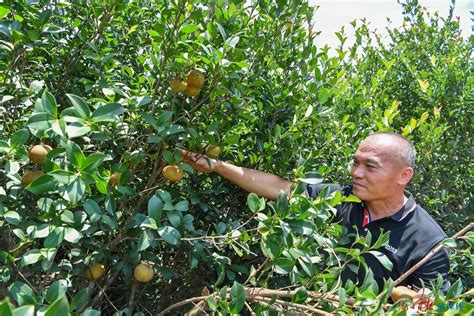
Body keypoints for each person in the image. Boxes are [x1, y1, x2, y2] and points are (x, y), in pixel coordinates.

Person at [181, 131, 449, 306]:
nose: (356, 172)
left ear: (404, 175)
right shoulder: (339, 199)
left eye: (370, 166)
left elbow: (430, 303)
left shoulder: (428, 242)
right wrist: (216, 166)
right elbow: (280, 188)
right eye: (355, 163)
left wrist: (423, 302)